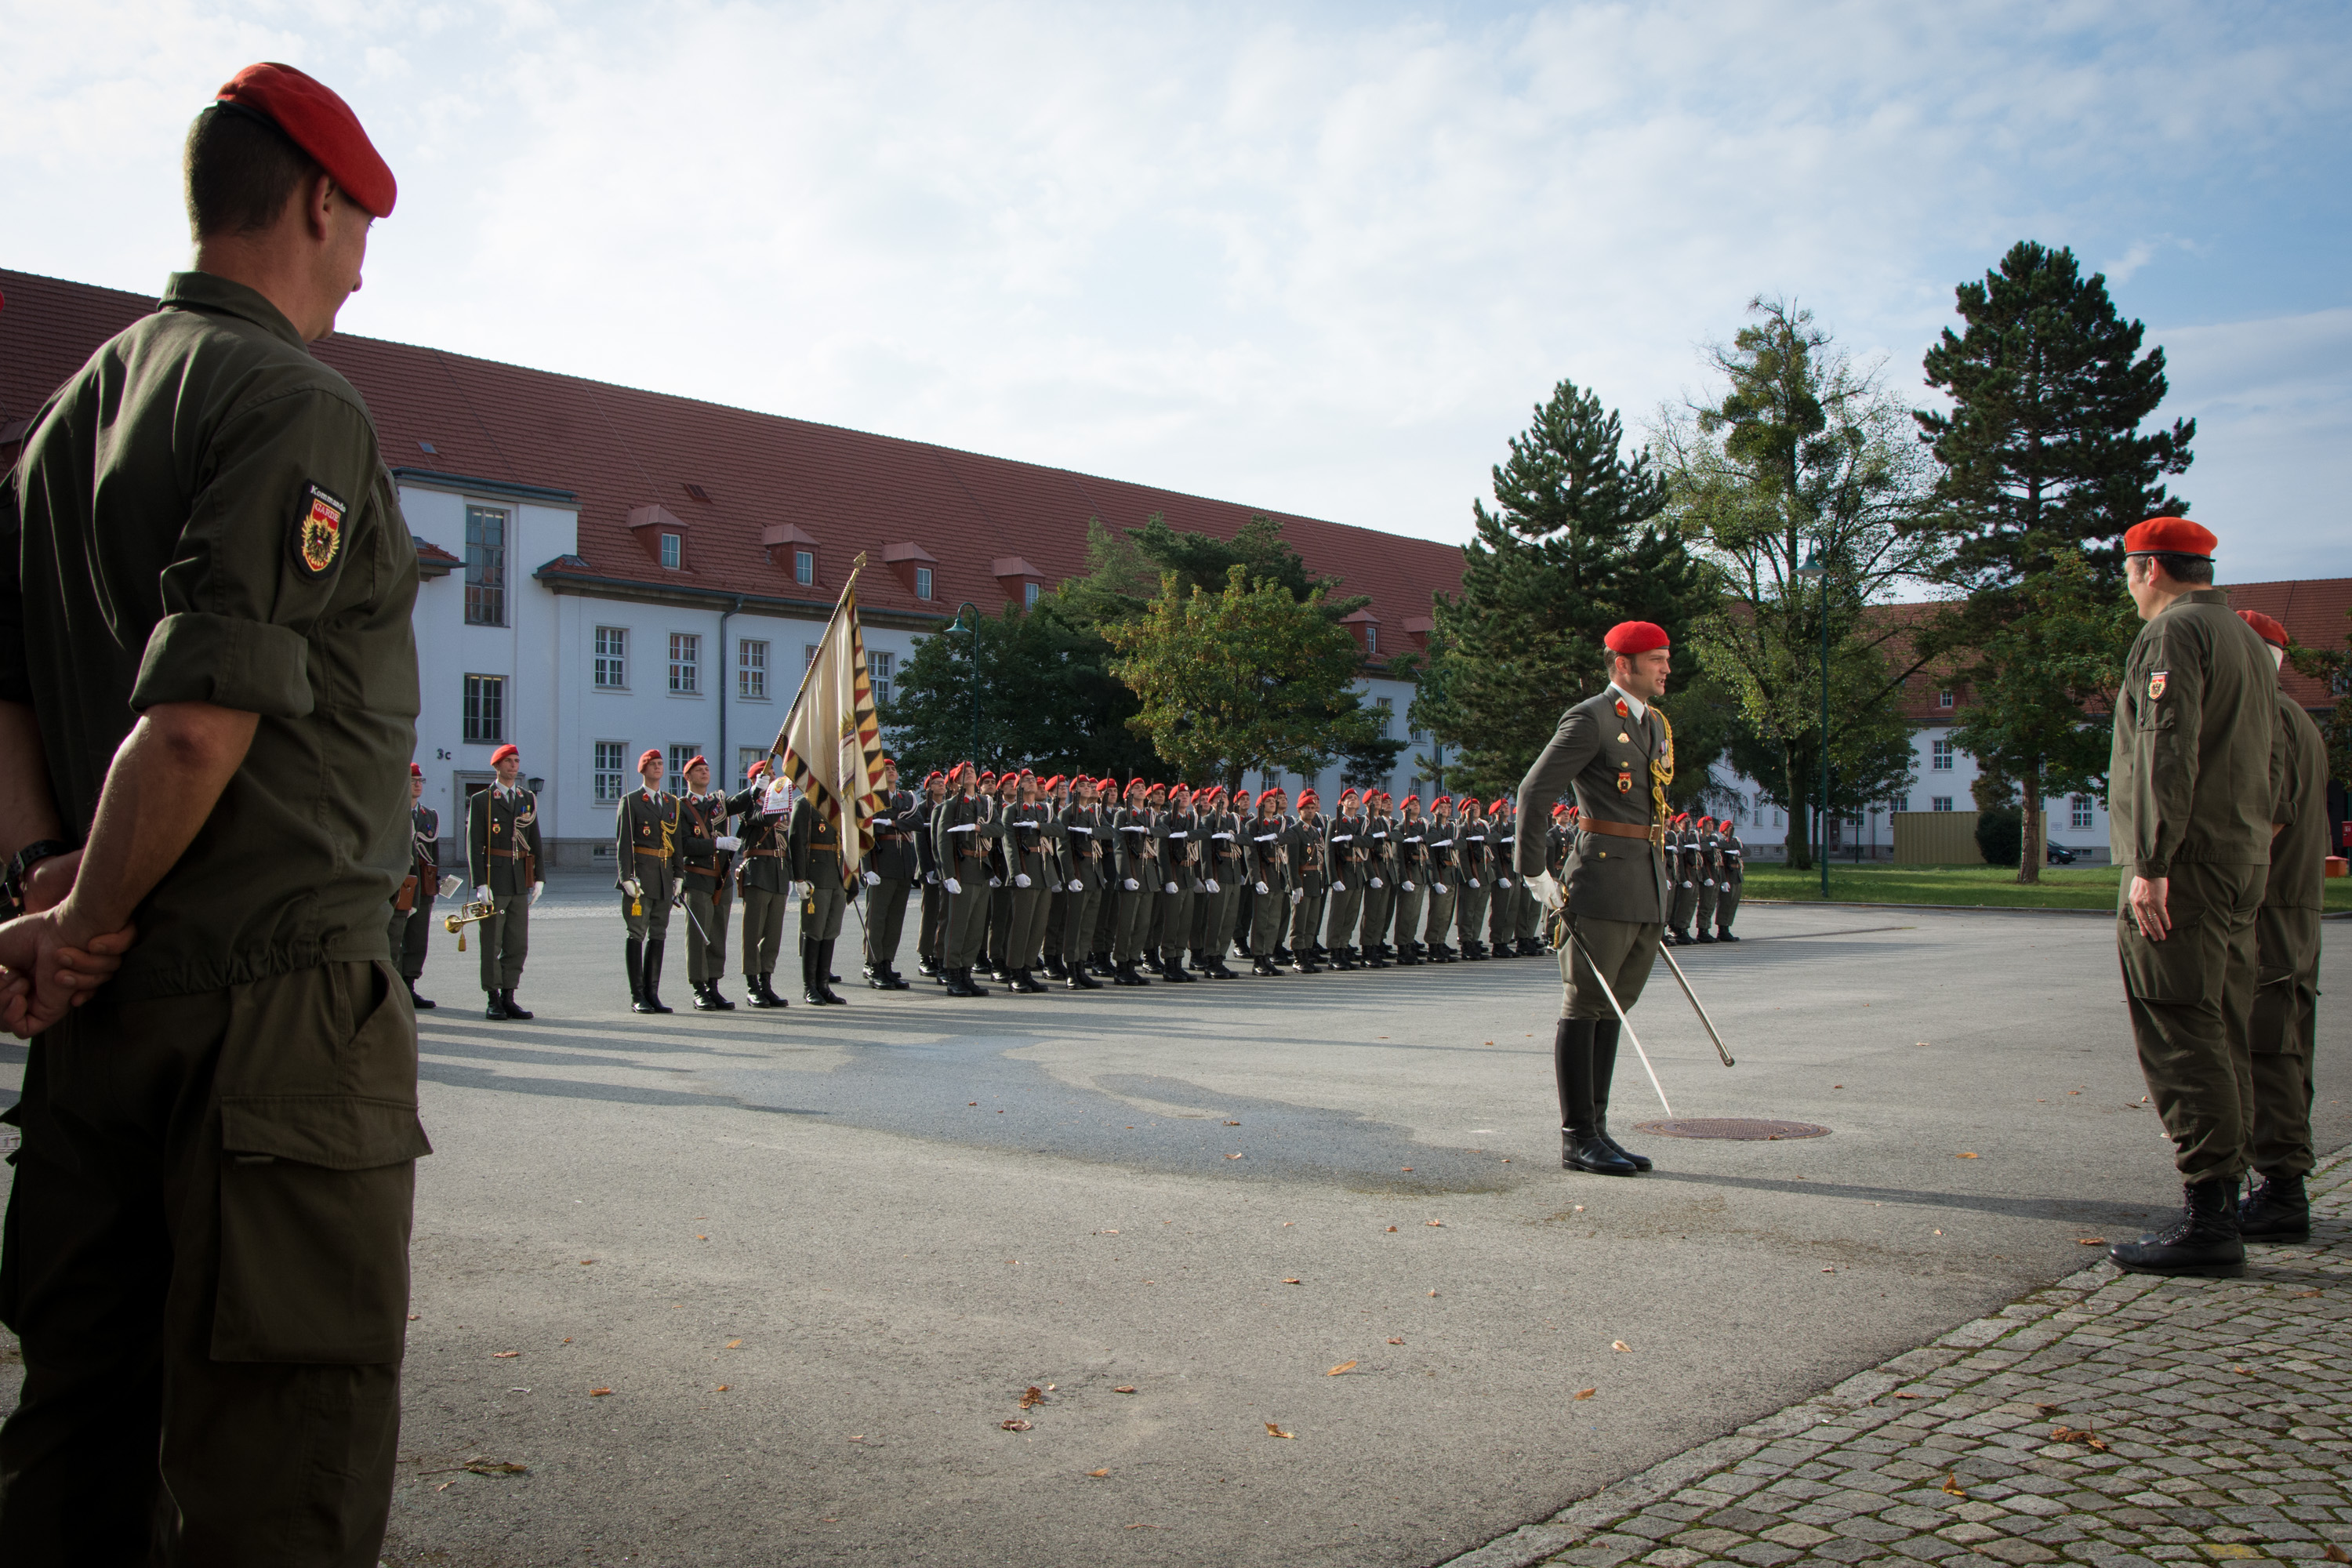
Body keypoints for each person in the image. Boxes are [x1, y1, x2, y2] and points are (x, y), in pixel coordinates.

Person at [0, 62, 423, 1559]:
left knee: (77, 1442)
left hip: (101, 1028)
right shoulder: (290, 397)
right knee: (275, 1468)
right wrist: (87, 916)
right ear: (320, 201)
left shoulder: (68, 417)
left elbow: (9, 699)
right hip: (270, 1015)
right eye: (364, 230)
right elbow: (191, 729)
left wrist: (51, 892)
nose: (363, 272)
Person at [2104, 518, 2278, 1278]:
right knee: (2223, 1021)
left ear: (2149, 568)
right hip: (2235, 855)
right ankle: (2228, 1199)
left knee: (2181, 1024)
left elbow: (2165, 744)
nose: (2129, 583)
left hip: (2186, 862)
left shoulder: (2174, 634)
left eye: (2129, 569)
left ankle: (2209, 1215)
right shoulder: (2240, 636)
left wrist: (2152, 858)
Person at [1517, 620, 1680, 1178]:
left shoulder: (1653, 724)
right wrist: (1535, 870)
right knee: (1585, 1003)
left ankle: (1599, 1130)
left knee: (1615, 1007)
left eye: (1665, 658)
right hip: (1601, 879)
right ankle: (1577, 1137)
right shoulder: (1590, 720)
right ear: (1622, 665)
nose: (1665, 668)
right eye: (1655, 659)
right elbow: (1535, 792)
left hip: (1645, 881)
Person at [2236, 609, 2328, 1243]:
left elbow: (2263, 823)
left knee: (2269, 1048)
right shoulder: (2297, 717)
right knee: (2285, 1046)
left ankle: (2281, 1190)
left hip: (2266, 908)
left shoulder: (2265, 715)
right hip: (2291, 907)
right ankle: (2282, 1183)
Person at [466, 743, 543, 1020]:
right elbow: (474, 844)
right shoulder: (482, 800)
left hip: (519, 877)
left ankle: (510, 994)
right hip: (495, 877)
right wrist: (480, 883)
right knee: (492, 941)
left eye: (516, 760)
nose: (514, 765)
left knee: (517, 942)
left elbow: (534, 840)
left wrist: (539, 878)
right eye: (508, 761)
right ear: (497, 766)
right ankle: (493, 997)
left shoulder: (527, 798)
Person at [616, 749, 681, 1014]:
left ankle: (653, 992)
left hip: (664, 877)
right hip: (641, 877)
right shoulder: (631, 801)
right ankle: (638, 994)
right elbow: (623, 844)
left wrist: (678, 874)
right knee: (637, 933)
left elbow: (676, 842)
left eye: (660, 764)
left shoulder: (670, 802)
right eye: (652, 764)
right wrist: (626, 877)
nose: (657, 768)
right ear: (643, 769)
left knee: (659, 934)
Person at [674, 755, 738, 1011]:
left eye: (706, 769)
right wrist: (715, 844)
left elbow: (739, 802)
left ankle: (714, 985)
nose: (704, 773)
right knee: (699, 934)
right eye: (698, 770)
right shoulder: (681, 807)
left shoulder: (717, 803)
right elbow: (684, 843)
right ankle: (699, 988)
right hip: (698, 876)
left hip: (721, 879)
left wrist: (757, 788)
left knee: (718, 933)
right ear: (687, 777)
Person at [934, 764, 1003, 996]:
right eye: (964, 774)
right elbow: (942, 842)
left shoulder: (985, 803)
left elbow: (999, 830)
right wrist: (948, 875)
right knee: (957, 926)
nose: (970, 774)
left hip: (982, 869)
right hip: (962, 869)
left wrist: (978, 828)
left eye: (972, 771)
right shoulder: (951, 806)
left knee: (975, 928)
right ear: (955, 783)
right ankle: (952, 974)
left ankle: (966, 973)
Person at [733, 761, 791, 1008]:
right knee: (753, 932)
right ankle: (752, 985)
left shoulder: (781, 806)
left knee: (773, 934)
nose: (772, 778)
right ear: (755, 780)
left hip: (779, 872)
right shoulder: (749, 805)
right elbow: (762, 819)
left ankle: (766, 982)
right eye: (766, 776)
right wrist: (772, 797)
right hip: (758, 872)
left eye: (773, 774)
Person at [789, 786, 850, 1006]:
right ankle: (809, 987)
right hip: (816, 875)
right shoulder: (806, 804)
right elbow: (796, 840)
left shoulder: (840, 805)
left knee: (831, 930)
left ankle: (823, 985)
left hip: (837, 874)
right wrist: (799, 878)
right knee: (814, 930)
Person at [863, 757, 917, 990]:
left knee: (895, 919)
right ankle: (873, 964)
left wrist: (892, 823)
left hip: (904, 863)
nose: (891, 772)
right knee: (877, 918)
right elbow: (865, 830)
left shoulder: (907, 798)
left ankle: (887, 962)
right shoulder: (872, 798)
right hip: (882, 862)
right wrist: (867, 868)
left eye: (894, 768)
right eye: (886, 769)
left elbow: (916, 821)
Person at [390, 762, 441, 1007]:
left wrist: (437, 884)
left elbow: (433, 852)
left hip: (423, 882)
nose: (418, 785)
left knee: (418, 937)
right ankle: (393, 986)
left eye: (421, 781)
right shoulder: (393, 812)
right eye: (413, 781)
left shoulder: (428, 816)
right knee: (394, 936)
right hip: (401, 883)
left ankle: (409, 984)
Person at [1054, 776, 1108, 990]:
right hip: (1078, 872)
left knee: (1087, 927)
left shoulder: (1095, 813)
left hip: (1094, 873)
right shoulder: (1067, 813)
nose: (1087, 788)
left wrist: (1091, 832)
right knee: (1074, 925)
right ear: (1074, 792)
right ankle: (1071, 971)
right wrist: (1070, 877)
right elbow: (1062, 847)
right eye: (1082, 786)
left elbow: (1109, 832)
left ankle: (1081, 968)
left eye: (1089, 786)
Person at [1244, 789, 1292, 976]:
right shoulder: (1252, 825)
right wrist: (1256, 879)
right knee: (1261, 920)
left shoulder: (1279, 824)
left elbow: (1292, 837)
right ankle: (1258, 959)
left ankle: (1268, 956)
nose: (1273, 803)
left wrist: (1276, 836)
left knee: (1273, 920)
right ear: (1261, 805)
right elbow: (1251, 854)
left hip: (1277, 874)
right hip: (1263, 874)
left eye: (1274, 801)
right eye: (1269, 801)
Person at [1324, 788, 1367, 971]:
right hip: (1343, 873)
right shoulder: (1335, 822)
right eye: (1348, 798)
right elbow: (1328, 852)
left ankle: (1343, 949)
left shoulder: (1362, 822)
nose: (1352, 800)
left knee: (1351, 916)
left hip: (1357, 873)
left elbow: (1370, 842)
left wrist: (1352, 838)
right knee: (1338, 916)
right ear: (1342, 803)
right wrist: (1333, 878)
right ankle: (1334, 952)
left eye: (1355, 798)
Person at [1287, 789, 1330, 973]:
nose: (1311, 811)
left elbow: (1319, 859)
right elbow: (1292, 861)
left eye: (1313, 808)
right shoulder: (1295, 831)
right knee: (1300, 921)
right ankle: (1298, 957)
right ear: (1300, 811)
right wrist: (1295, 885)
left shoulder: (1315, 832)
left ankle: (1307, 953)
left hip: (1315, 881)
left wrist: (1321, 882)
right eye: (1307, 808)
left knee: (1312, 921)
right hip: (1302, 880)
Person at [915, 769, 948, 978]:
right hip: (930, 870)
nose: (941, 785)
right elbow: (920, 841)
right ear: (928, 788)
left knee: (943, 915)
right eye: (936, 783)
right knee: (930, 915)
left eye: (942, 782)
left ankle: (939, 955)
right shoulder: (922, 809)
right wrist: (928, 868)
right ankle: (925, 956)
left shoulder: (947, 807)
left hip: (946, 870)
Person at [1360, 793, 1396, 966]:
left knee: (1381, 914)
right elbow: (1365, 853)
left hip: (1385, 870)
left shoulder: (1381, 821)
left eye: (1379, 800)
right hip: (1374, 869)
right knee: (1372, 912)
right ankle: (1367, 948)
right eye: (1373, 801)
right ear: (1366, 804)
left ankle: (1375, 945)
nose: (1377, 803)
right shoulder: (1364, 821)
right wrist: (1371, 875)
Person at [1712, 816, 1744, 942]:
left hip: (1737, 875)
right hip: (1727, 875)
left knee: (1733, 903)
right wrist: (1723, 880)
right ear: (1723, 831)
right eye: (1728, 828)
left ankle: (1727, 927)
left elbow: (1746, 851)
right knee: (1725, 903)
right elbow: (1720, 861)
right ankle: (1722, 930)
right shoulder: (1721, 843)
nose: (1731, 830)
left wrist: (1738, 852)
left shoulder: (1736, 841)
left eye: (1732, 828)